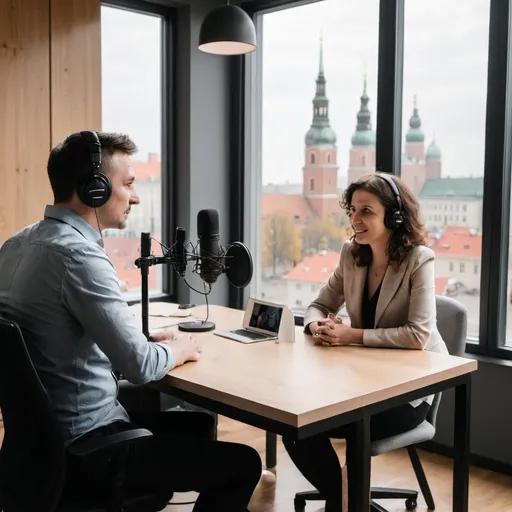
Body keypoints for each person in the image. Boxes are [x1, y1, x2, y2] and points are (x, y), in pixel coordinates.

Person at [0, 131, 261, 511]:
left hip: (36, 449)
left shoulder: (14, 245)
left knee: (199, 428)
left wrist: (141, 338)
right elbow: (139, 366)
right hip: (89, 450)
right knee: (243, 464)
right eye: (128, 184)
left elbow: (54, 338)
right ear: (94, 189)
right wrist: (178, 348)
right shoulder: (79, 258)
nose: (136, 196)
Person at [282, 173, 448, 512]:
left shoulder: (419, 259)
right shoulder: (351, 255)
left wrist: (351, 335)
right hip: (362, 384)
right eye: (353, 210)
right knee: (296, 425)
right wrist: (319, 326)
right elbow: (318, 305)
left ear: (394, 216)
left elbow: (419, 335)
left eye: (367, 211)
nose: (356, 220)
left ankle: (345, 503)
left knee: (358, 428)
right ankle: (346, 502)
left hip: (410, 392)